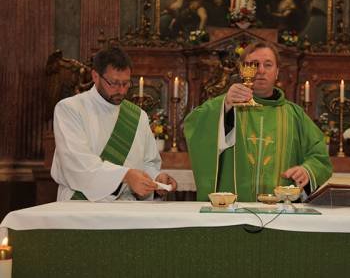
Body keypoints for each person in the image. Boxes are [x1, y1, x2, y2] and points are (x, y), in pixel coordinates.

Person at [184, 42, 332, 202]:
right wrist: (225, 105)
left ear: (277, 72)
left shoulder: (295, 115)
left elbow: (319, 156)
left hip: (280, 212)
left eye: (268, 65)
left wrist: (306, 170)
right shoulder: (226, 106)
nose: (261, 70)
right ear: (242, 71)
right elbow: (194, 127)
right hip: (231, 211)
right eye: (254, 64)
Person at [51, 47, 177, 201]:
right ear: (95, 76)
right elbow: (77, 164)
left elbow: (147, 163)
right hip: (81, 206)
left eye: (126, 83)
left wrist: (157, 179)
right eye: (115, 83)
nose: (122, 91)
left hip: (127, 208)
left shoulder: (138, 116)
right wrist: (126, 175)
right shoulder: (70, 109)